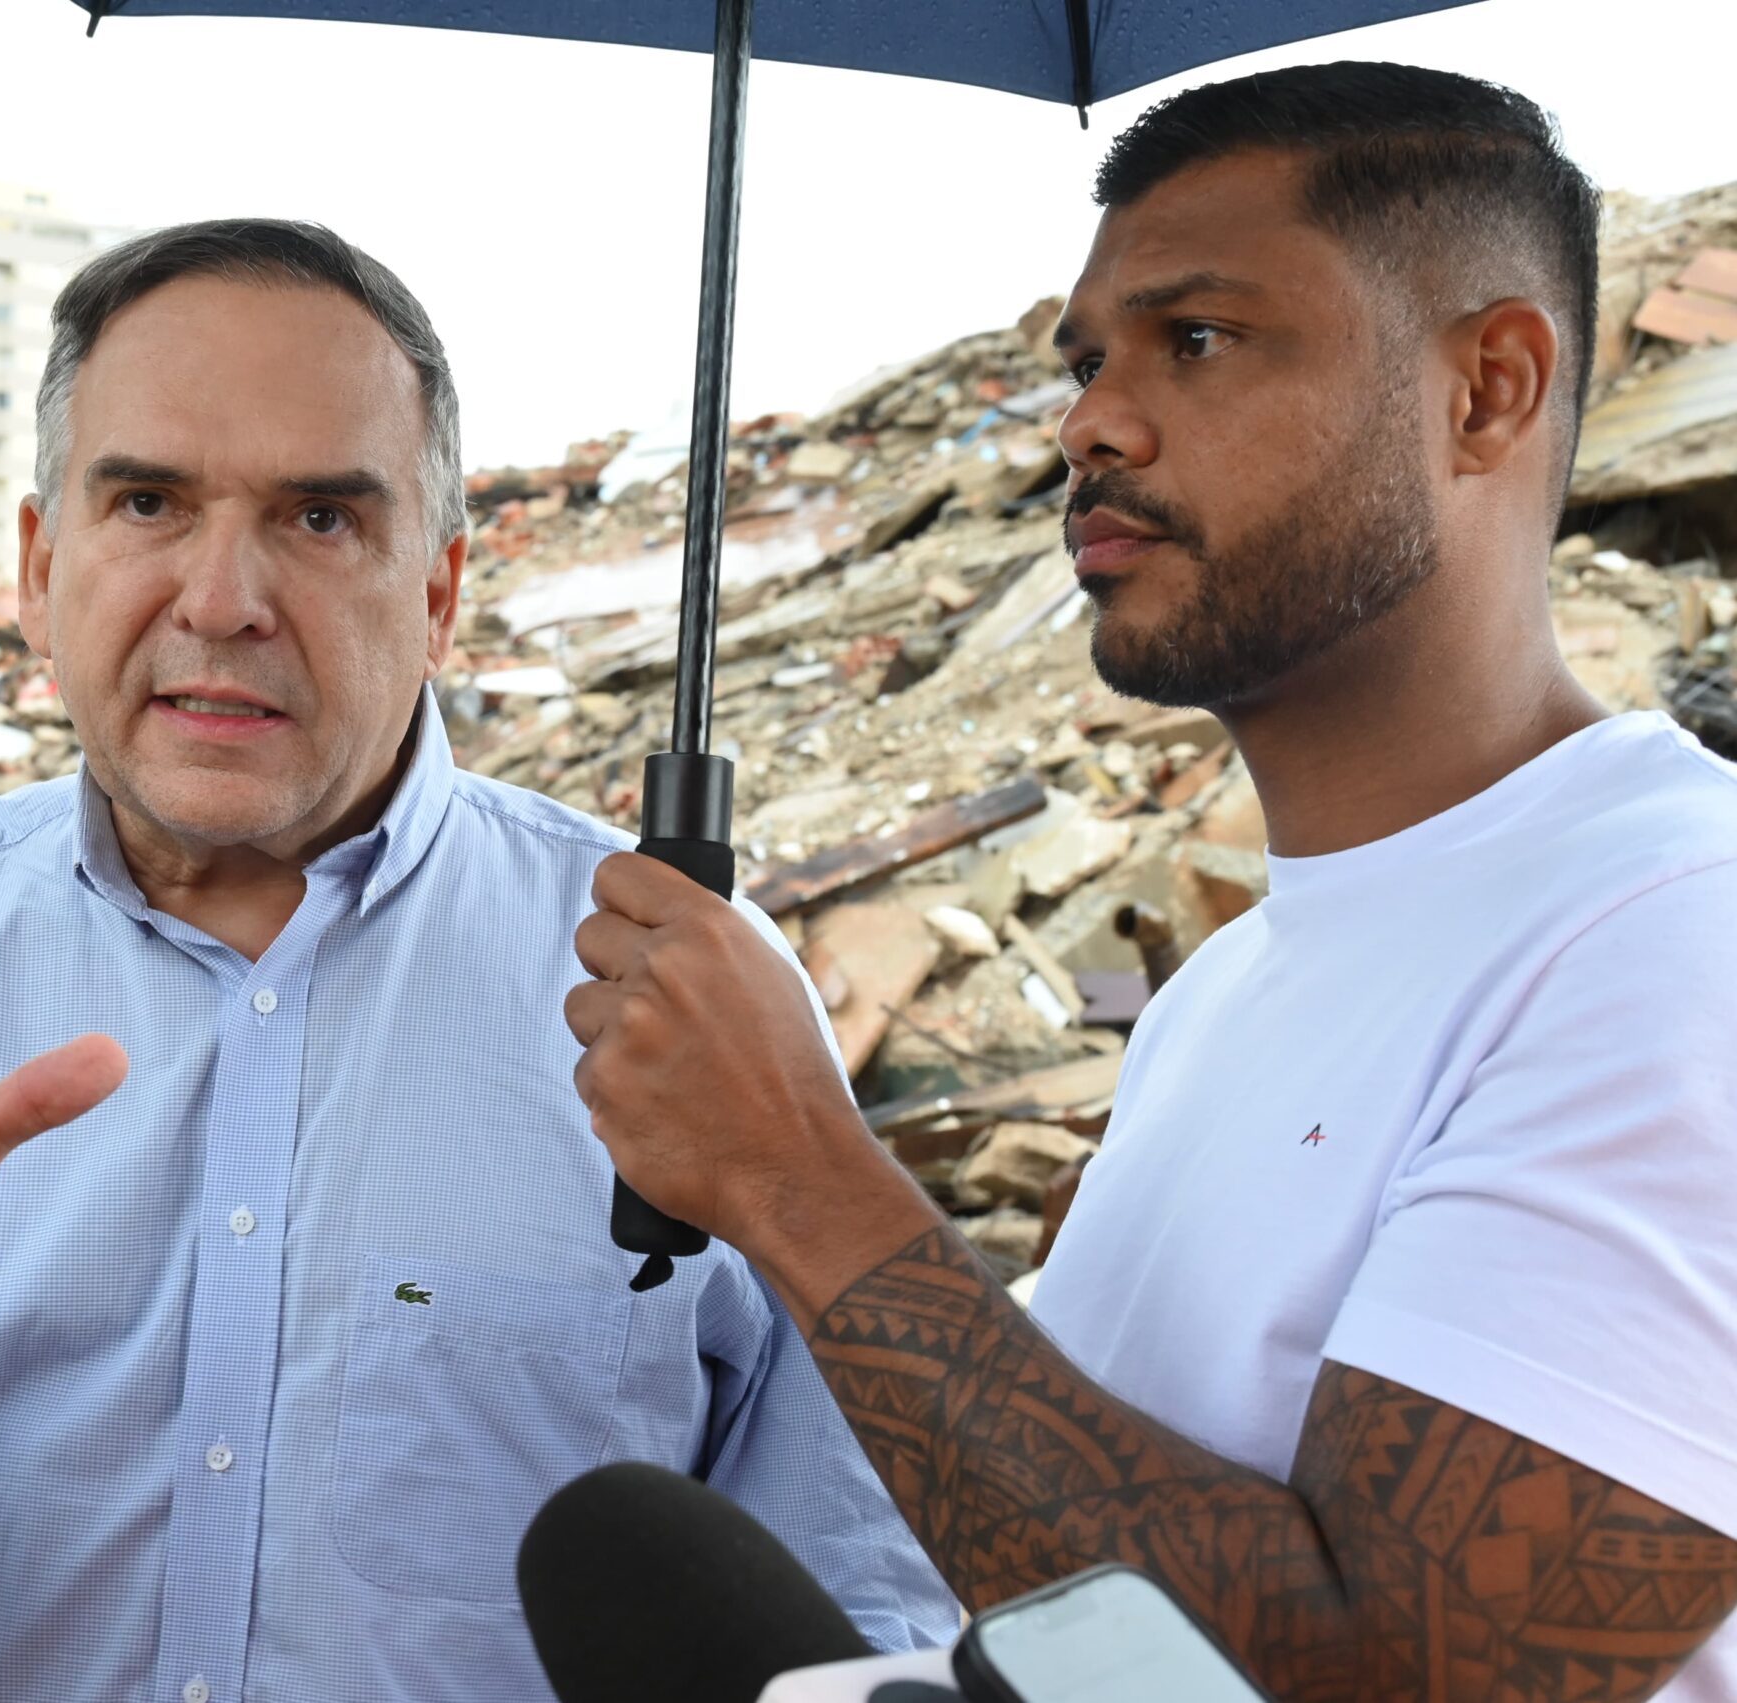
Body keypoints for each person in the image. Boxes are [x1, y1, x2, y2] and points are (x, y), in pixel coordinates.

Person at [0, 219, 955, 1700]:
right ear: (40, 560)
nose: (223, 599)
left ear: (437, 593)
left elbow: (861, 1611)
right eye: (147, 502)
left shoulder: (684, 993)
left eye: (320, 520)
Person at [566, 63, 1737, 1703]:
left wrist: (799, 1176)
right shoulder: (1218, 998)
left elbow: (1421, 1680)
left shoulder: (1680, 935)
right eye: (1085, 362)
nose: (1086, 426)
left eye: (1197, 340)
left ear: (1488, 390)